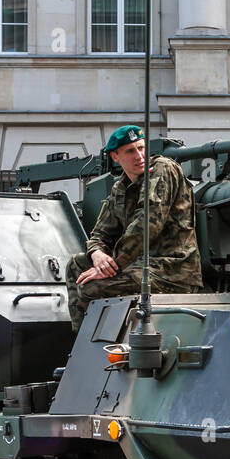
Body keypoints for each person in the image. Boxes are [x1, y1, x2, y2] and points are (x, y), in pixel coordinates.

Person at [66, 125, 202, 332]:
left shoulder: (163, 168)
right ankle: (81, 345)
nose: (139, 155)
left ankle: (105, 347)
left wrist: (114, 266)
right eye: (130, 151)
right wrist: (97, 255)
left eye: (141, 148)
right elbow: (100, 233)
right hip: (138, 266)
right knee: (76, 264)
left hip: (172, 270)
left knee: (90, 287)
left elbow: (147, 224)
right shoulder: (119, 189)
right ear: (115, 156)